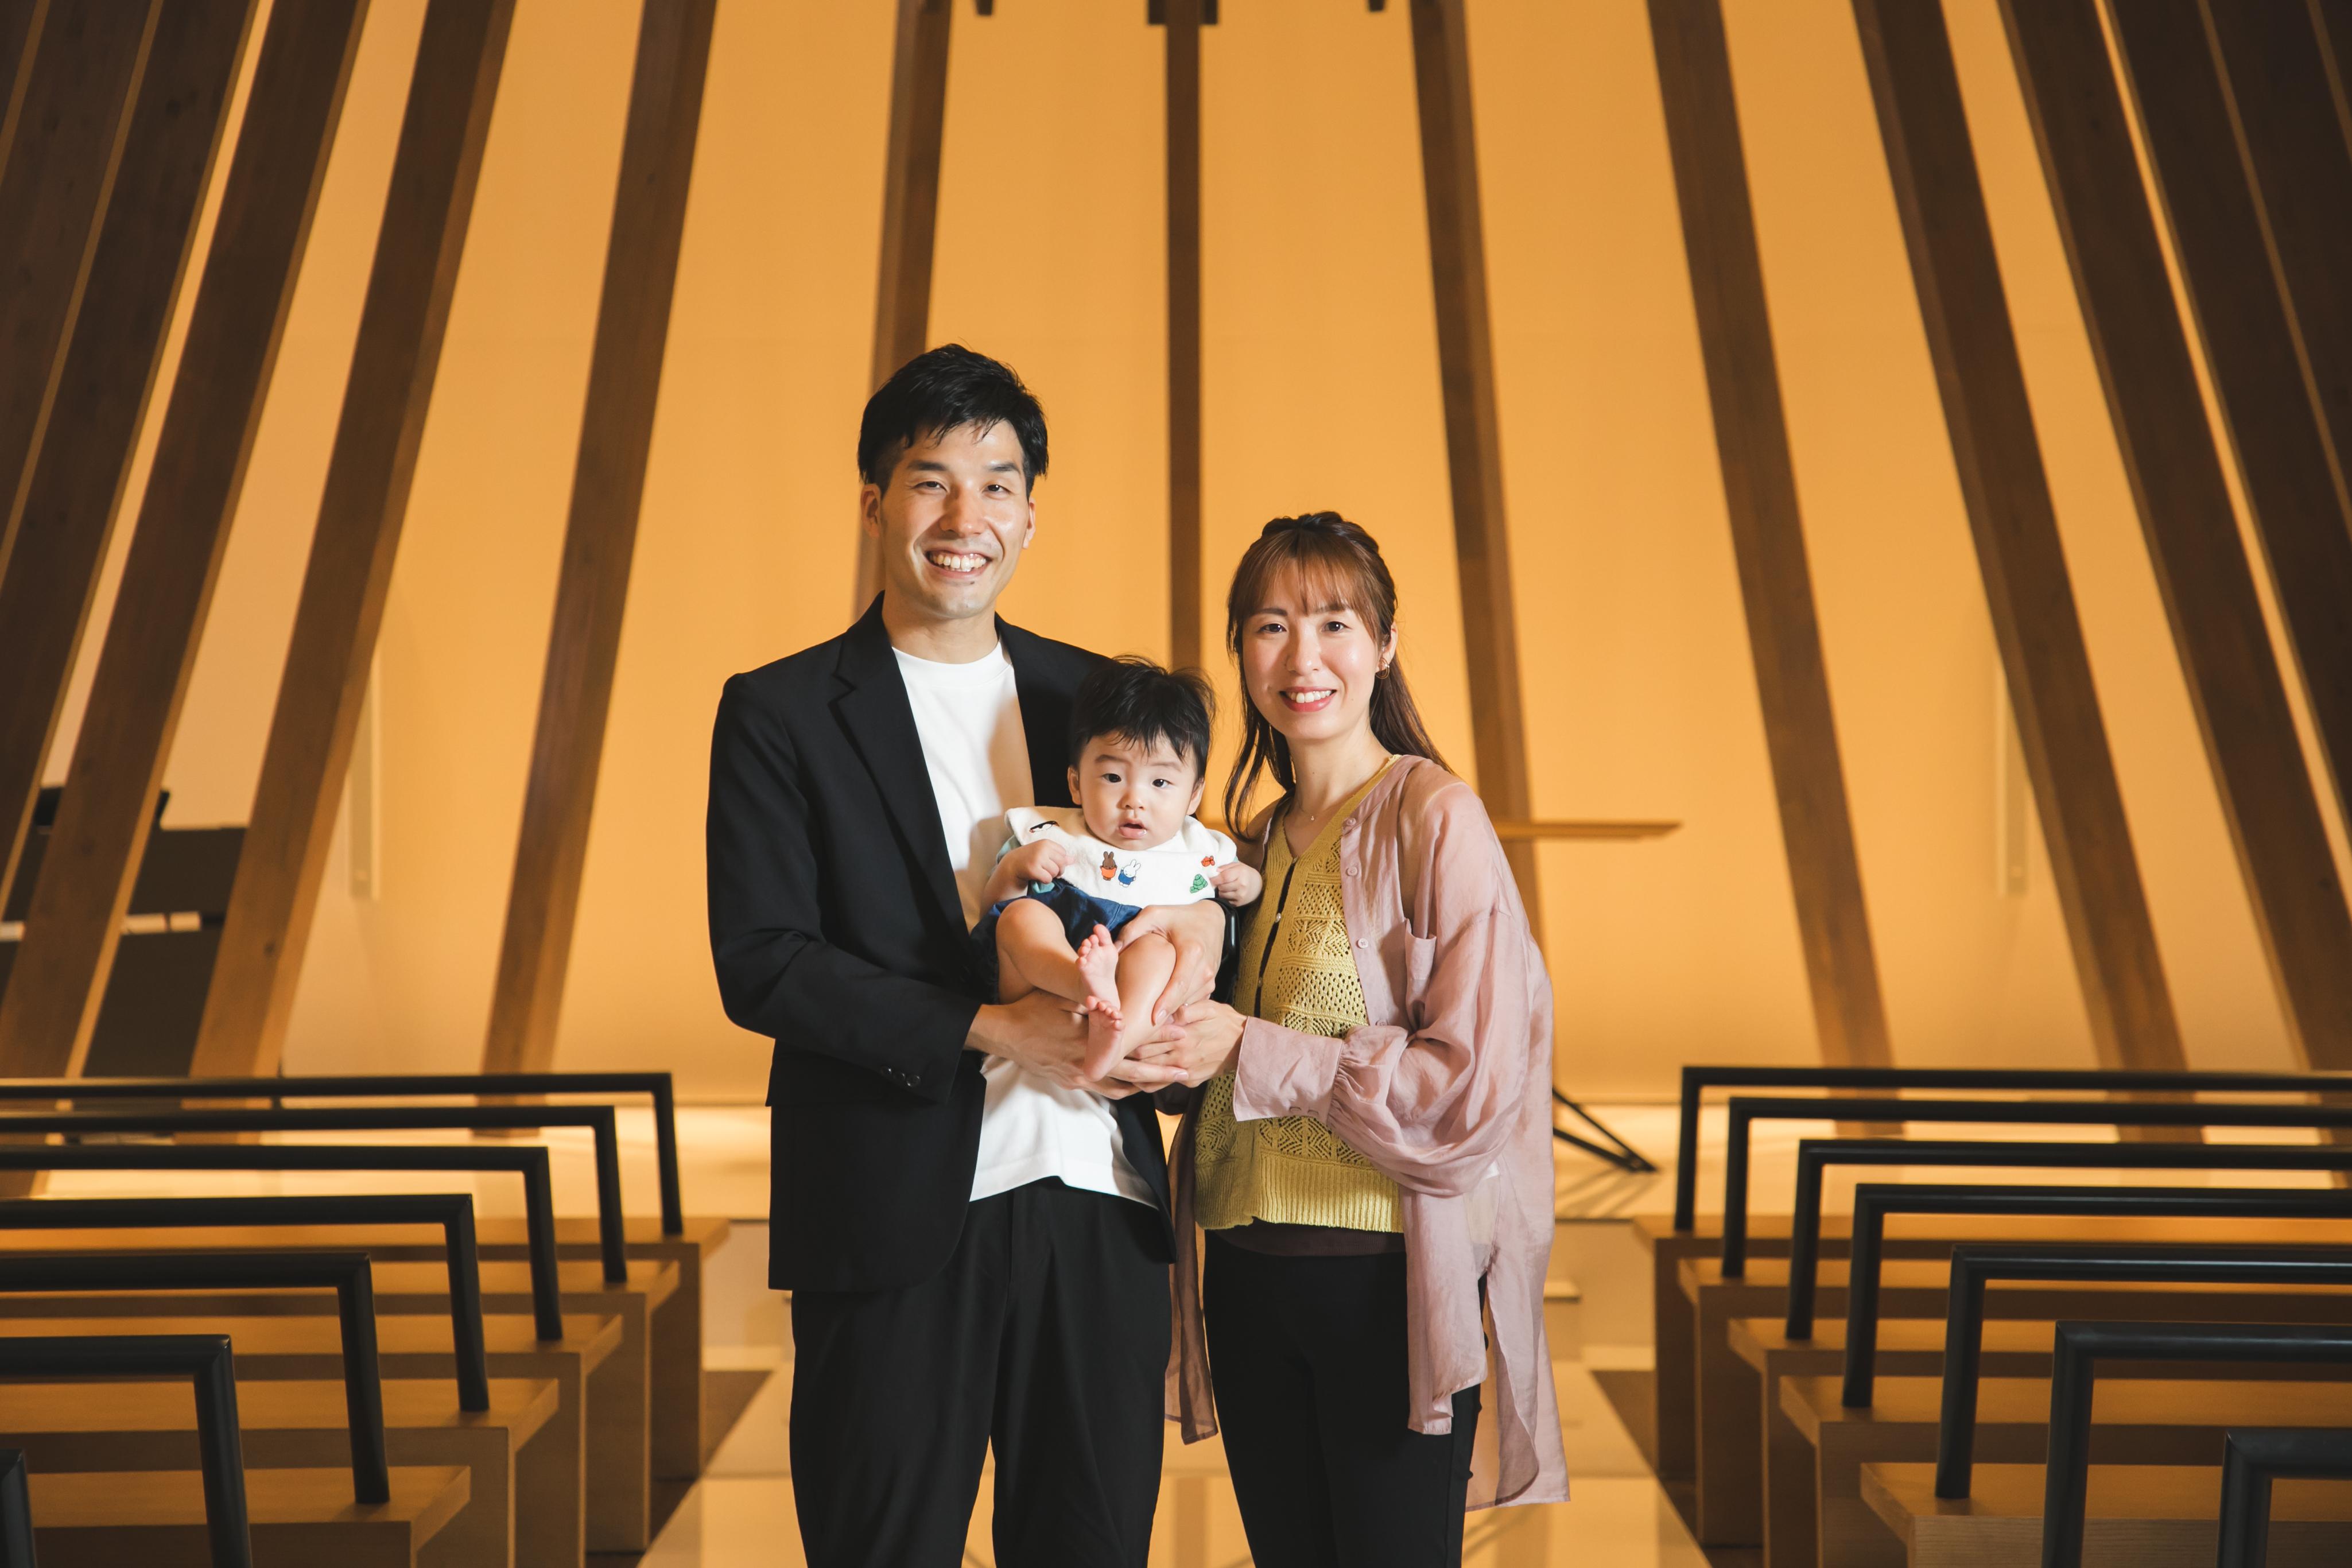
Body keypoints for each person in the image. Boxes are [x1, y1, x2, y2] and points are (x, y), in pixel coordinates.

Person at [705, 345, 1229, 1567]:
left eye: (996, 485)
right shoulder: (780, 711)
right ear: (875, 501)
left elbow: (1187, 872)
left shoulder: (1092, 698)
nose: (964, 517)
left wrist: (1195, 966)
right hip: (886, 1201)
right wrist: (989, 1027)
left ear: (1030, 515)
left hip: (1095, 1197)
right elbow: (763, 960)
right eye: (930, 481)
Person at [1124, 513, 1571, 1566]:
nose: (1302, 658)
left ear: (1384, 644)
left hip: (1383, 1281)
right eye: (1270, 626)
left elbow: (1468, 1088)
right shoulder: (1240, 848)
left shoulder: (1434, 818)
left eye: (1333, 623)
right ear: (1241, 651)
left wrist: (1245, 1047)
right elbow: (1214, 1058)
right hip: (1243, 1274)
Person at [976, 657, 1263, 1080]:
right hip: (1046, 981)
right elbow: (993, 910)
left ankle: (1117, 1041)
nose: (1134, 800)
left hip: (1134, 965)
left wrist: (1249, 884)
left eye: (1160, 783)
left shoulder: (1199, 849)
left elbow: (1238, 889)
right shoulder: (1053, 832)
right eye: (1112, 777)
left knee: (1160, 953)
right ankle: (1083, 982)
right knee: (1020, 917)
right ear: (1076, 783)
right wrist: (1014, 871)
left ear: (1193, 796)